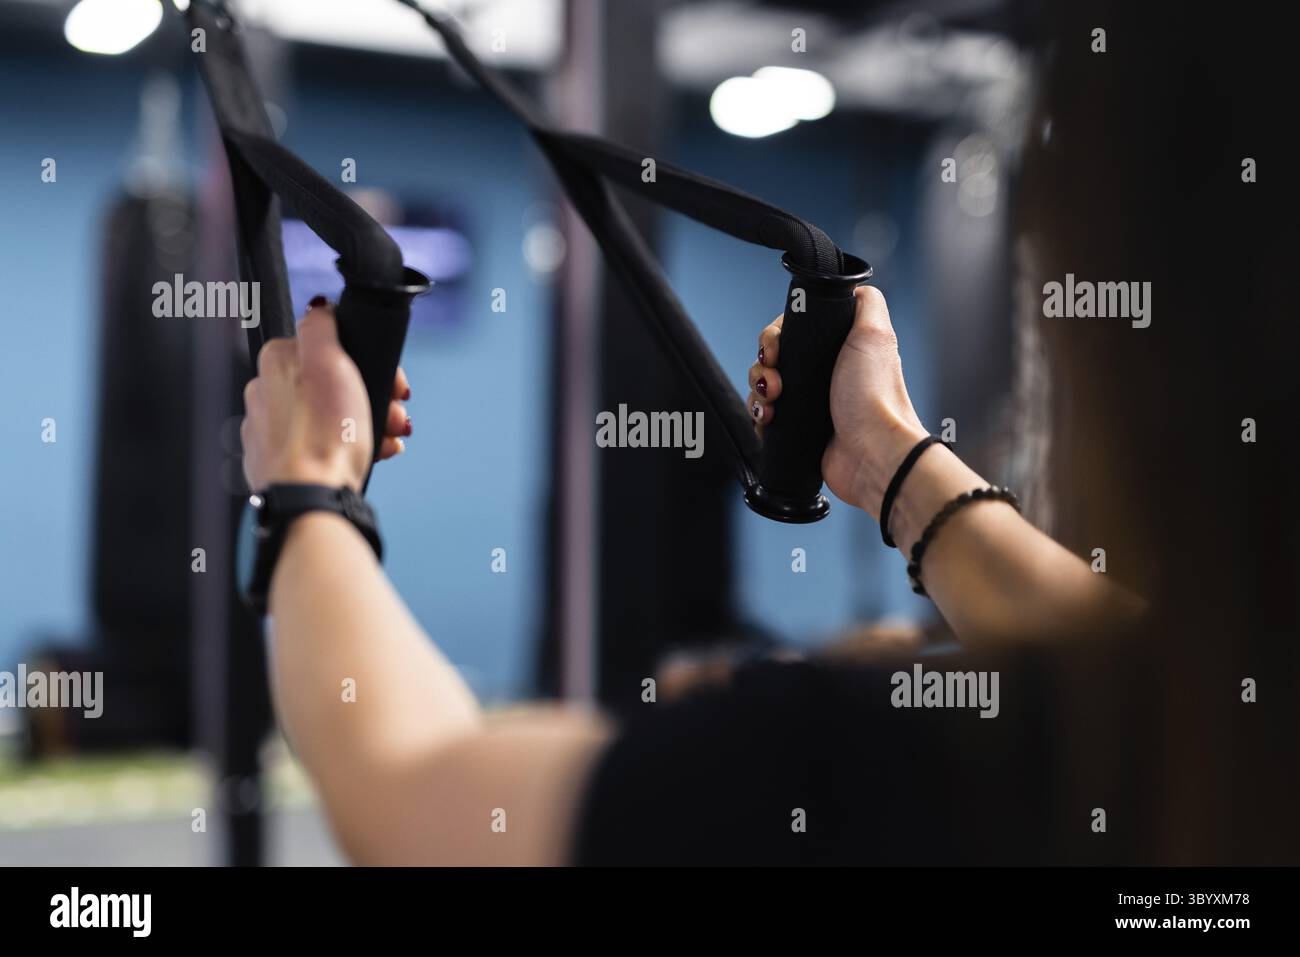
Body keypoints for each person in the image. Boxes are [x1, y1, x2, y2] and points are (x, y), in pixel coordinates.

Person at [238, 3, 1298, 865]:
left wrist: (308, 483)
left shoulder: (923, 771)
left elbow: (415, 797)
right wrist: (887, 459)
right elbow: (1122, 647)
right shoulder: (1215, 745)